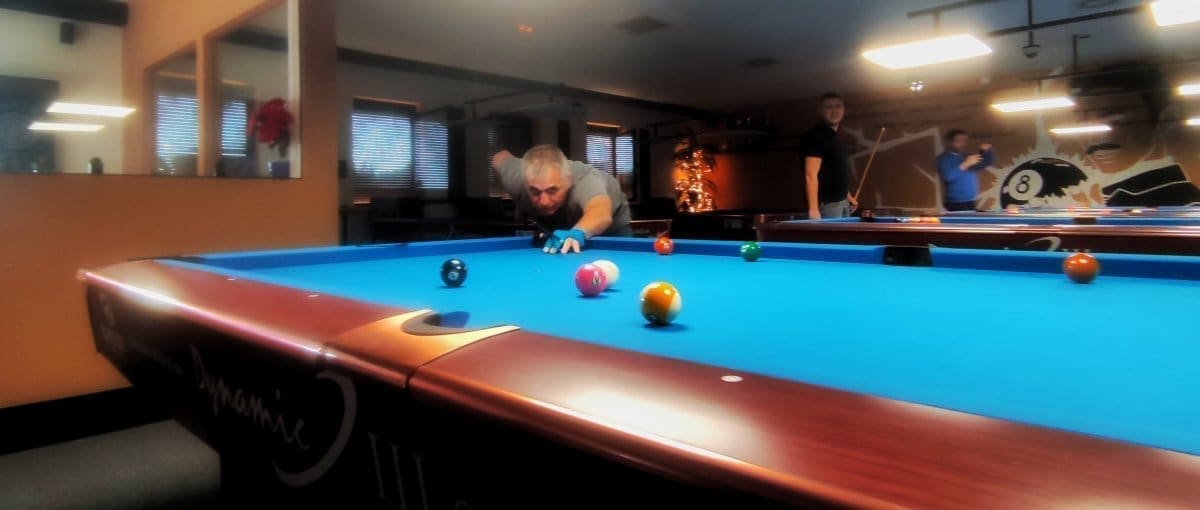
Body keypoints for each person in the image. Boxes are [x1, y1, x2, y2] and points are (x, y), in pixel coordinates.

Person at [492, 145, 632, 254]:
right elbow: (499, 157)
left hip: (610, 228)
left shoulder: (584, 181)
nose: (544, 201)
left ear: (568, 181)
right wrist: (519, 201)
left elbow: (600, 213)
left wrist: (577, 232)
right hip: (560, 226)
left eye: (552, 190)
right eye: (535, 192)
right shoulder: (515, 178)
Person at [803, 92, 856, 219]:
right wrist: (813, 209)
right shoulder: (816, 136)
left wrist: (848, 196)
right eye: (828, 107)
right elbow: (810, 174)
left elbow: (835, 172)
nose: (834, 111)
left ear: (843, 109)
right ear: (820, 111)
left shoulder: (837, 137)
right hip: (828, 204)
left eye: (838, 106)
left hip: (842, 202)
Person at [937, 129, 995, 211]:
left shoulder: (967, 156)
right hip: (955, 202)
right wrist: (965, 164)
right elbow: (948, 176)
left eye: (964, 141)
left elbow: (987, 162)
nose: (962, 144)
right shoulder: (943, 159)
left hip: (971, 200)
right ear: (949, 142)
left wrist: (988, 151)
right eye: (958, 141)